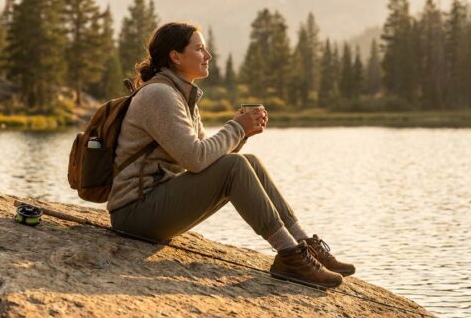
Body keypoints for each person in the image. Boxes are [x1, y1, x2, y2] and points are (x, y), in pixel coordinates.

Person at [107, 22, 355, 288]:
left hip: (155, 204)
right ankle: (289, 256)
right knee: (235, 166)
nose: (208, 55)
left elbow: (205, 157)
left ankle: (303, 244)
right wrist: (236, 127)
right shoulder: (159, 94)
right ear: (175, 56)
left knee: (249, 162)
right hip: (135, 214)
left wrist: (242, 133)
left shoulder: (179, 94)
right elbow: (196, 159)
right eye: (199, 49)